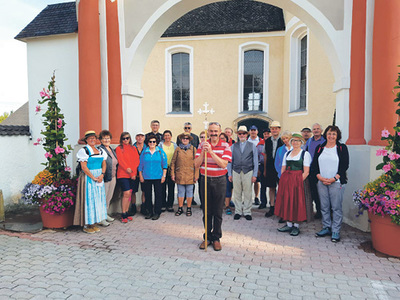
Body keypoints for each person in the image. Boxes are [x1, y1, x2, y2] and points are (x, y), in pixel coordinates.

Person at [195, 122, 232, 251]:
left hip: (219, 181)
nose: (213, 133)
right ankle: (207, 237)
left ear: (220, 132)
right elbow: (196, 164)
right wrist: (202, 153)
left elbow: (223, 164)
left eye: (216, 131)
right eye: (211, 131)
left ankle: (216, 238)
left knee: (217, 211)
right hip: (205, 179)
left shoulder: (225, 146)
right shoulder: (202, 144)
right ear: (208, 132)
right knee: (206, 211)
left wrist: (210, 152)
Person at [311, 125, 349, 243]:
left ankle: (336, 230)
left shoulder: (341, 148)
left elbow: (344, 165)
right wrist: (320, 177)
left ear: (337, 136)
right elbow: (314, 165)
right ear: (325, 134)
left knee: (336, 207)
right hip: (321, 181)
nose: (331, 136)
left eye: (334, 134)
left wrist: (334, 178)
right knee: (324, 206)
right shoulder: (320, 147)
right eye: (329, 133)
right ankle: (326, 227)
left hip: (336, 182)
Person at [275, 133, 313, 236]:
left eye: (298, 140)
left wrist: (298, 182)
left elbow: (306, 171)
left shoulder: (305, 154)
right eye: (293, 141)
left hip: (298, 181)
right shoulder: (287, 154)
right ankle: (288, 224)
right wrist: (283, 180)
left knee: (296, 202)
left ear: (301, 142)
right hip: (286, 180)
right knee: (287, 201)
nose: (295, 142)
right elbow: (283, 168)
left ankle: (296, 226)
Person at [74, 130, 108, 233]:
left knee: (98, 199)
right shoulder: (84, 151)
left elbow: (104, 163)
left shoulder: (100, 150)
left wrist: (102, 174)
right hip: (88, 178)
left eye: (94, 138)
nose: (92, 140)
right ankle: (87, 224)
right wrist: (93, 177)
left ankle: (94, 222)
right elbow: (84, 167)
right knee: (89, 199)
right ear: (86, 140)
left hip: (99, 177)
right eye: (90, 138)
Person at [228, 126, 258, 220]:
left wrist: (255, 174)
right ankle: (238, 211)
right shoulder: (233, 146)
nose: (242, 135)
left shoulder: (252, 145)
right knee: (237, 192)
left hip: (248, 171)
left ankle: (247, 212)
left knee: (248, 192)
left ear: (246, 134)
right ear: (237, 135)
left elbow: (255, 161)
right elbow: (230, 161)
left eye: (243, 133)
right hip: (236, 171)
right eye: (240, 133)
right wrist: (230, 173)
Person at [138, 134, 168, 220]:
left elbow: (165, 165)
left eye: (153, 142)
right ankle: (149, 212)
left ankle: (157, 212)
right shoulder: (144, 152)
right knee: (148, 195)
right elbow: (140, 165)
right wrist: (140, 175)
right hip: (146, 176)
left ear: (156, 143)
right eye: (150, 141)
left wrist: (164, 176)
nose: (152, 143)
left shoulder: (160, 152)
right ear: (148, 143)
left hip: (158, 176)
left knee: (158, 195)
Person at [170, 132, 198, 216]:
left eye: (186, 139)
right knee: (180, 192)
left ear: (189, 140)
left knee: (189, 192)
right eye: (183, 139)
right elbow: (173, 162)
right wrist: (172, 173)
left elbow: (197, 163)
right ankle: (180, 208)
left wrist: (196, 175)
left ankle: (189, 208)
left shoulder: (193, 149)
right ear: (181, 140)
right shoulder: (178, 149)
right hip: (180, 173)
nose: (185, 140)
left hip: (190, 174)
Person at [115, 132, 140, 223]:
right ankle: (123, 213)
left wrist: (133, 173)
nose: (126, 140)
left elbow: (137, 161)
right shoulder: (119, 148)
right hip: (123, 174)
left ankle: (127, 211)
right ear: (121, 139)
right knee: (126, 193)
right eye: (124, 138)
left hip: (132, 174)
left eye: (127, 138)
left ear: (130, 139)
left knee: (130, 193)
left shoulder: (133, 148)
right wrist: (128, 170)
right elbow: (121, 161)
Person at [305, 123, 326, 219]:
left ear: (321, 130)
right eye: (314, 129)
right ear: (312, 131)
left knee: (321, 192)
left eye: (318, 129)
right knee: (313, 191)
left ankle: (323, 212)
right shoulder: (309, 141)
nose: (316, 130)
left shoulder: (325, 141)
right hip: (311, 169)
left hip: (322, 169)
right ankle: (316, 211)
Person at [98, 130, 118, 226]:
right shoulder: (100, 150)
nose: (106, 140)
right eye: (104, 138)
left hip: (113, 176)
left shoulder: (111, 149)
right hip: (105, 177)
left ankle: (105, 214)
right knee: (103, 197)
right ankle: (101, 218)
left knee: (109, 197)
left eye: (108, 138)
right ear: (101, 140)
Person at [263, 121, 283, 217]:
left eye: (276, 128)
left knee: (281, 188)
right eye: (272, 128)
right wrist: (265, 169)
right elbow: (265, 155)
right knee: (271, 187)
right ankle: (272, 207)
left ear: (279, 129)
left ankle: (281, 208)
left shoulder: (283, 140)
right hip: (270, 167)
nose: (274, 130)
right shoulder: (267, 141)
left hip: (280, 168)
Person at [159, 130, 177, 212]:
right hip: (162, 169)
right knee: (162, 187)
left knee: (171, 187)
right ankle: (162, 204)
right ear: (163, 137)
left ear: (171, 136)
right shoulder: (160, 145)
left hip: (172, 169)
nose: (167, 137)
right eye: (165, 135)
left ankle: (170, 205)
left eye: (168, 135)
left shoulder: (175, 145)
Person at [132, 132, 147, 215]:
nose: (140, 138)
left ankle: (143, 207)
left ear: (144, 138)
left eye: (142, 136)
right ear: (136, 138)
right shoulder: (132, 147)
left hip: (144, 172)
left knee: (144, 190)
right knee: (133, 191)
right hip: (134, 172)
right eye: (138, 136)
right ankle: (133, 206)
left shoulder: (147, 147)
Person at [256, 128, 270, 209]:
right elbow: (257, 157)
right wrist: (257, 168)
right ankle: (263, 202)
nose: (266, 135)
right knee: (263, 185)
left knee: (272, 186)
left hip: (271, 166)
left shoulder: (272, 143)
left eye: (268, 133)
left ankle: (273, 202)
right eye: (265, 134)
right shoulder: (260, 144)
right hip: (261, 165)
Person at [219, 132, 232, 215]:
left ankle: (227, 206)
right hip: (217, 171)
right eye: (220, 138)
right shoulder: (215, 147)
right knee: (218, 190)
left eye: (223, 138)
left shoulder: (229, 148)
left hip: (227, 171)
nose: (222, 139)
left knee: (227, 189)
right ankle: (219, 205)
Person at [248, 125, 260, 205]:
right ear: (249, 132)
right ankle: (247, 198)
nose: (253, 132)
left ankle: (256, 197)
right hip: (248, 165)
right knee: (247, 183)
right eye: (251, 130)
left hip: (257, 164)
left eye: (254, 130)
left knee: (257, 182)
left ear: (257, 131)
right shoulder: (245, 140)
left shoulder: (260, 141)